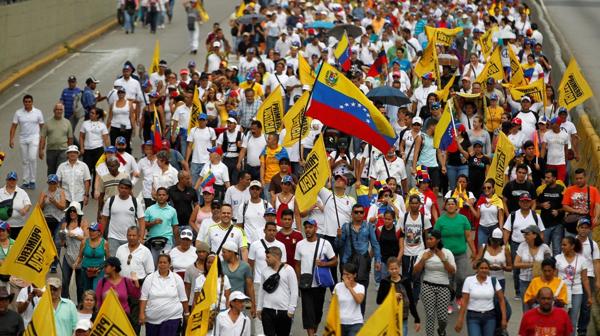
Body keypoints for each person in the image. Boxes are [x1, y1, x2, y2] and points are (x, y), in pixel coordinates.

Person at [294, 219, 338, 336]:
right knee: (308, 313)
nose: (307, 230)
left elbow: (335, 261)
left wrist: (324, 264)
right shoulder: (300, 245)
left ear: (316, 228)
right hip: (306, 284)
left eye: (310, 227)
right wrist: (299, 280)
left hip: (320, 283)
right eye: (306, 227)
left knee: (318, 312)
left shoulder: (325, 243)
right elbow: (297, 264)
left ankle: (313, 333)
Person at [336, 203, 381, 314]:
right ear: (352, 214)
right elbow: (338, 245)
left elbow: (375, 244)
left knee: (362, 292)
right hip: (348, 264)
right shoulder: (346, 227)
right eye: (356, 212)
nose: (359, 214)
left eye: (361, 212)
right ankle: (347, 317)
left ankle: (359, 319)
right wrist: (338, 237)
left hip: (363, 264)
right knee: (347, 292)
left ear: (364, 214)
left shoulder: (369, 226)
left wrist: (378, 260)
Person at [434, 197, 476, 314]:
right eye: (449, 204)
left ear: (457, 206)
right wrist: (436, 252)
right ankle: (449, 302)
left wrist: (474, 251)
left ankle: (458, 296)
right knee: (448, 280)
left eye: (453, 204)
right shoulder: (440, 221)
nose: (451, 206)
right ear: (445, 206)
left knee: (461, 277)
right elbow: (435, 238)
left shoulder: (463, 219)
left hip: (461, 254)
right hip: (446, 256)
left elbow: (468, 237)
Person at [503, 192, 546, 299]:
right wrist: (504, 246)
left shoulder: (536, 216)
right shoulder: (513, 215)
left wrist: (539, 244)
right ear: (519, 202)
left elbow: (541, 232)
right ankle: (518, 291)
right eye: (523, 201)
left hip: (532, 245)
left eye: (527, 201)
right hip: (516, 244)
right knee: (516, 268)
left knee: (534, 266)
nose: (525, 203)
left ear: (531, 202)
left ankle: (534, 288)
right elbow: (507, 231)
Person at [413, 230, 456, 336]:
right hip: (428, 286)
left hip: (444, 287)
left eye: (431, 239)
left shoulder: (447, 253)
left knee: (443, 318)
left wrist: (443, 259)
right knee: (430, 316)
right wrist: (423, 260)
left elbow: (453, 271)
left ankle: (441, 330)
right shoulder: (423, 253)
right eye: (427, 239)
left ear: (438, 240)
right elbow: (415, 271)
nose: (428, 241)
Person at [139, 254, 189, 336]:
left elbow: (183, 298)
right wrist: (141, 314)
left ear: (169, 264)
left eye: (165, 262)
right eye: (160, 262)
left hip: (172, 317)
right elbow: (144, 298)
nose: (162, 264)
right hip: (152, 319)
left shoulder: (177, 278)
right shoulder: (150, 278)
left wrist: (186, 313)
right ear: (157, 264)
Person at [455, 259, 507, 336]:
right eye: (481, 268)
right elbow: (464, 301)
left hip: (490, 317)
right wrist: (460, 319)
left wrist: (504, 318)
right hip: (473, 317)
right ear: (477, 269)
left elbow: (501, 300)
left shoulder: (493, 281)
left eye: (486, 268)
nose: (484, 270)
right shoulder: (469, 280)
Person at [555, 236, 593, 335]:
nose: (562, 247)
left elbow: (585, 279)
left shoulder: (581, 259)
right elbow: (554, 278)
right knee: (559, 318)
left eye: (564, 245)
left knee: (573, 320)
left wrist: (589, 296)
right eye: (562, 244)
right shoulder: (558, 258)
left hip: (577, 291)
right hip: (561, 292)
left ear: (572, 246)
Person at [257, 246, 297, 336]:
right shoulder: (265, 271)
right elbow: (261, 291)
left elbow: (294, 290)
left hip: (284, 311)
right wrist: (259, 308)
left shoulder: (289, 270)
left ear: (276, 257)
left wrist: (291, 309)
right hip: (267, 310)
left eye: (268, 257)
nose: (265, 259)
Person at [376, 257, 421, 335]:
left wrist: (417, 319)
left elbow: (411, 301)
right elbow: (379, 300)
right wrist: (392, 295)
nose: (394, 271)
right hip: (388, 318)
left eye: (396, 268)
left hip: (403, 317)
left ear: (399, 267)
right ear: (387, 269)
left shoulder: (405, 281)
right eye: (391, 269)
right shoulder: (384, 282)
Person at [100, 178, 145, 256]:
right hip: (113, 237)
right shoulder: (111, 200)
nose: (123, 190)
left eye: (126, 188)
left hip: (131, 238)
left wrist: (141, 237)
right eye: (121, 187)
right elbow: (104, 219)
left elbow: (141, 221)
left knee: (128, 262)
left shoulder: (135, 202)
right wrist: (100, 236)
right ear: (118, 188)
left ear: (130, 189)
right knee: (113, 262)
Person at [399, 194, 431, 303]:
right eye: (412, 203)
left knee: (417, 278)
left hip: (419, 252)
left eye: (416, 203)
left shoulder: (424, 218)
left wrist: (428, 252)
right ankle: (406, 297)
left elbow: (427, 237)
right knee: (405, 277)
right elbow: (400, 235)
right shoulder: (404, 217)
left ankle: (415, 299)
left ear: (420, 205)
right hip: (407, 252)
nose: (414, 205)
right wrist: (400, 252)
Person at [9, 94, 44, 189]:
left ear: (32, 102)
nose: (27, 103)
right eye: (26, 102)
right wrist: (11, 139)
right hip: (23, 138)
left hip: (34, 137)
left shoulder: (38, 112)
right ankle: (25, 181)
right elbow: (14, 126)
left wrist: (43, 141)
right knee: (25, 160)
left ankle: (32, 180)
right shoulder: (18, 113)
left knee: (32, 158)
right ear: (23, 102)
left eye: (29, 101)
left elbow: (42, 127)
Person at [514, 225, 552, 310]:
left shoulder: (544, 247)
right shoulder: (522, 246)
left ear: (535, 235)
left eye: (527, 234)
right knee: (526, 307)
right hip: (525, 281)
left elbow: (550, 264)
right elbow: (516, 264)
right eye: (524, 234)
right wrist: (533, 264)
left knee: (540, 307)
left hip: (540, 282)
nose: (524, 236)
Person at [96, 257, 141, 327]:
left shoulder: (126, 281)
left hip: (123, 318)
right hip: (106, 319)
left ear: (113, 267)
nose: (104, 269)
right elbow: (98, 302)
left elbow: (137, 295)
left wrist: (136, 283)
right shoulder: (102, 282)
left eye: (106, 266)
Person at [575, 218, 600, 336]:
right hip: (574, 276)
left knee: (586, 305)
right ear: (577, 228)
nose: (584, 230)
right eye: (582, 227)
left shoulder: (592, 244)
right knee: (572, 304)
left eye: (586, 228)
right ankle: (570, 326)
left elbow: (596, 262)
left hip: (589, 276)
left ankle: (582, 330)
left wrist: (598, 280)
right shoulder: (571, 242)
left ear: (590, 229)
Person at [59, 202, 88, 301]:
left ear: (78, 212)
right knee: (65, 282)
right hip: (68, 257)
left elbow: (87, 239)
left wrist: (75, 235)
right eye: (70, 211)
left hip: (80, 258)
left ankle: (80, 305)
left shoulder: (83, 223)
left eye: (74, 211)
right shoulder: (64, 224)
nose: (72, 213)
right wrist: (62, 238)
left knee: (80, 285)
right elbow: (62, 244)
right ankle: (64, 303)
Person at [142, 187, 179, 263]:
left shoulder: (172, 210)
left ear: (167, 196)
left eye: (163, 195)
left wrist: (177, 243)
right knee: (153, 264)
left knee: (164, 263)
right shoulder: (149, 209)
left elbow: (175, 227)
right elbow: (143, 225)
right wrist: (153, 223)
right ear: (156, 196)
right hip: (152, 240)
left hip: (167, 240)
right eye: (159, 195)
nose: (161, 196)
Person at [79, 107, 109, 196]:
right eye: (90, 113)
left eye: (93, 113)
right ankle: (85, 191)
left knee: (98, 171)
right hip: (88, 150)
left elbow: (106, 139)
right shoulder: (85, 124)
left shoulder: (102, 125)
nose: (90, 114)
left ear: (97, 115)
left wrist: (108, 151)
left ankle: (95, 190)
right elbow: (81, 136)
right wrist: (81, 148)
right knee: (87, 171)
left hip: (98, 150)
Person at [563, 168, 600, 241]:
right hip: (572, 225)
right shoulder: (569, 190)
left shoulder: (593, 190)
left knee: (587, 249)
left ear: (585, 178)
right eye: (577, 178)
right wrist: (577, 211)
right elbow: (564, 206)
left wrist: (596, 217)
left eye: (581, 178)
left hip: (586, 226)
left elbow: (597, 205)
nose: (578, 180)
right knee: (571, 249)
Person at [221, 241, 256, 318]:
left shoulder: (245, 266)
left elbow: (249, 287)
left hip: (241, 302)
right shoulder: (220, 265)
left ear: (232, 252)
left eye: (224, 252)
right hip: (225, 302)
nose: (222, 254)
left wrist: (252, 305)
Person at [39, 102, 73, 175]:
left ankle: (59, 186)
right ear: (54, 111)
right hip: (51, 150)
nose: (59, 111)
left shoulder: (67, 123)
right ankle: (51, 185)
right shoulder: (47, 123)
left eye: (61, 110)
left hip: (63, 150)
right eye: (57, 109)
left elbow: (70, 138)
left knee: (60, 169)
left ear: (63, 111)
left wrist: (70, 150)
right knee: (51, 170)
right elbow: (43, 137)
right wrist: (41, 150)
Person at [74, 222, 109, 292]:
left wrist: (107, 271)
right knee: (86, 292)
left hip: (99, 271)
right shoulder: (84, 242)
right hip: (85, 270)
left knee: (96, 290)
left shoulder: (104, 243)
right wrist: (76, 263)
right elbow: (80, 256)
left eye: (93, 231)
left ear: (99, 232)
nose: (91, 232)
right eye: (90, 230)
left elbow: (108, 259)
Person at [538, 169, 565, 255]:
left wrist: (558, 211)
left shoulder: (562, 189)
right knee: (544, 250)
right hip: (544, 224)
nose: (546, 179)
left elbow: (567, 206)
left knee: (557, 250)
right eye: (545, 177)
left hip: (558, 224)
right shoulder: (541, 189)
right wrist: (542, 205)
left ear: (554, 178)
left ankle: (556, 268)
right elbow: (534, 203)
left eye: (548, 177)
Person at [334, 263, 365, 336]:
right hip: (340, 322)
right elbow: (333, 303)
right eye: (344, 274)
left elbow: (359, 300)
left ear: (354, 275)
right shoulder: (338, 286)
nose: (345, 277)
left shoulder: (360, 287)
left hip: (355, 323)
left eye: (348, 274)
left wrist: (349, 287)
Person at [0, 171, 32, 239]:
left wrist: (25, 209)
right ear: (6, 180)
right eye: (10, 179)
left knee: (16, 247)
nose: (12, 181)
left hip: (19, 226)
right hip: (3, 226)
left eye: (13, 179)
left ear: (16, 180)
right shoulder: (0, 192)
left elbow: (28, 204)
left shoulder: (22, 192)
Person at [475, 179, 504, 248]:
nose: (486, 189)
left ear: (493, 189)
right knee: (481, 249)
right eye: (484, 188)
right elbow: (477, 216)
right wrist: (470, 206)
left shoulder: (498, 200)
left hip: (494, 227)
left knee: (494, 249)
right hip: (482, 228)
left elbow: (501, 216)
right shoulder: (481, 200)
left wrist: (501, 228)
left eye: (489, 187)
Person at [184, 241, 209, 308]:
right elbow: (187, 289)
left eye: (204, 252)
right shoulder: (189, 268)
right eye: (199, 252)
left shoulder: (212, 268)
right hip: (192, 302)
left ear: (207, 253)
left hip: (208, 302)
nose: (201, 254)